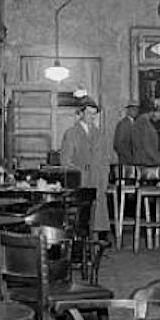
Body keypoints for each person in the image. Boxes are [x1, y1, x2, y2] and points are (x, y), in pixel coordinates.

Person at [60, 97, 114, 236]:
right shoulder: (71, 133)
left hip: (97, 180)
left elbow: (105, 158)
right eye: (89, 113)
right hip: (81, 182)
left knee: (98, 219)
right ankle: (81, 249)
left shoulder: (99, 134)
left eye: (94, 114)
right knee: (81, 221)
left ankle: (96, 248)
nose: (92, 117)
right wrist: (79, 175)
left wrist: (104, 176)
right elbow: (65, 161)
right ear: (81, 113)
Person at [132, 100, 160, 166]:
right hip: (146, 161)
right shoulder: (144, 123)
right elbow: (148, 146)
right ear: (152, 112)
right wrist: (159, 159)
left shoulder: (140, 122)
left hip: (143, 160)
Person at [113, 99, 141, 165]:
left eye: (137, 109)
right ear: (128, 110)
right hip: (126, 161)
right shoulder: (123, 124)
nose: (135, 111)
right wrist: (129, 158)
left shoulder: (136, 123)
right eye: (133, 109)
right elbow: (118, 144)